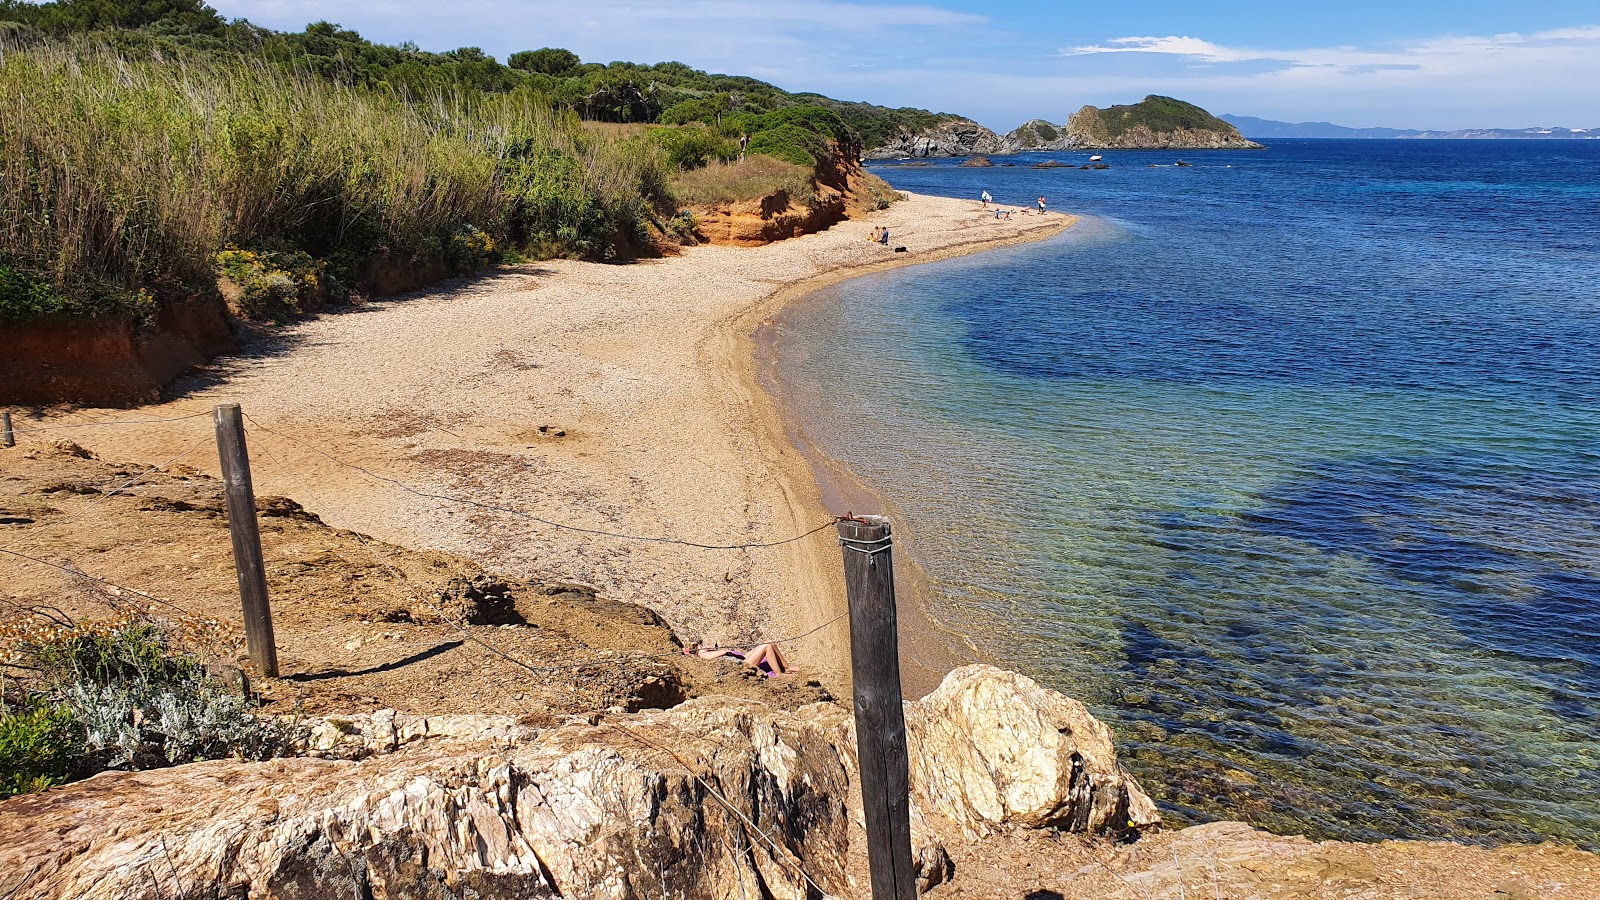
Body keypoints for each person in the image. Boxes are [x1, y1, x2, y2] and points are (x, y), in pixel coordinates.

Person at [684, 640, 789, 677]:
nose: (704, 645)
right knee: (766, 646)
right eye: (701, 644)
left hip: (742, 659)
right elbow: (706, 657)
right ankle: (779, 675)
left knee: (769, 642)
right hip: (743, 665)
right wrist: (722, 651)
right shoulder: (703, 654)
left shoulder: (707, 652)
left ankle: (787, 667)